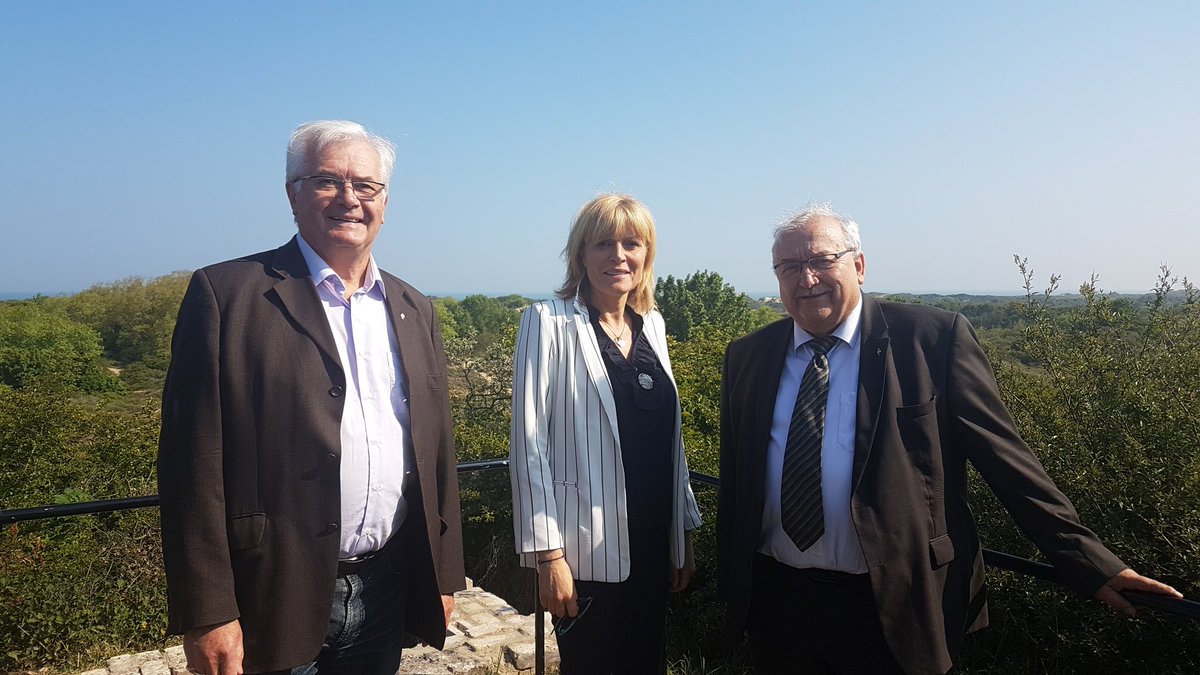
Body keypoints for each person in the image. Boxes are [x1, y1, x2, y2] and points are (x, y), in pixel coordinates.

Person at [716, 203, 1182, 675]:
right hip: (778, 602)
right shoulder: (748, 356)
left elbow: (1006, 460)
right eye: (790, 266)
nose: (806, 278)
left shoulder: (931, 339)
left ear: (858, 265)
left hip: (896, 600)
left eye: (821, 260)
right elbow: (737, 476)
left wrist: (1088, 562)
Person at [158, 120, 465, 675]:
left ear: (385, 201)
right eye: (327, 181)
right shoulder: (227, 296)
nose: (349, 199)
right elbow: (190, 468)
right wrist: (208, 612)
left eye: (365, 186)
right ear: (292, 193)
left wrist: (443, 576)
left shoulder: (414, 307)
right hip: (269, 594)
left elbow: (436, 453)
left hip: (385, 590)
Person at [509, 194, 703, 674]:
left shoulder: (652, 326)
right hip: (585, 553)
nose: (618, 255)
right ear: (580, 255)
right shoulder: (547, 323)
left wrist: (684, 533)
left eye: (631, 243)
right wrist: (547, 556)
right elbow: (528, 445)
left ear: (646, 255)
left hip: (655, 542)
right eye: (602, 244)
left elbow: (669, 445)